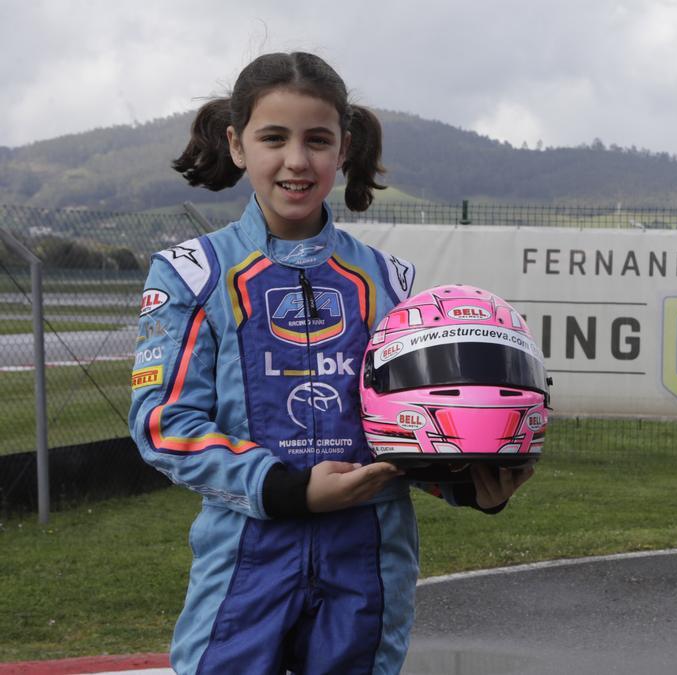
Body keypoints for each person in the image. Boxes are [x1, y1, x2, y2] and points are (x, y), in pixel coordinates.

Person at [128, 51, 533, 675]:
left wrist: (468, 484)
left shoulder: (389, 282)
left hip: (368, 560)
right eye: (273, 138)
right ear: (237, 145)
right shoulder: (191, 272)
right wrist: (285, 489)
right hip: (244, 557)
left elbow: (411, 429)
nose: (297, 160)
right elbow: (163, 425)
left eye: (317, 140)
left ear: (343, 149)